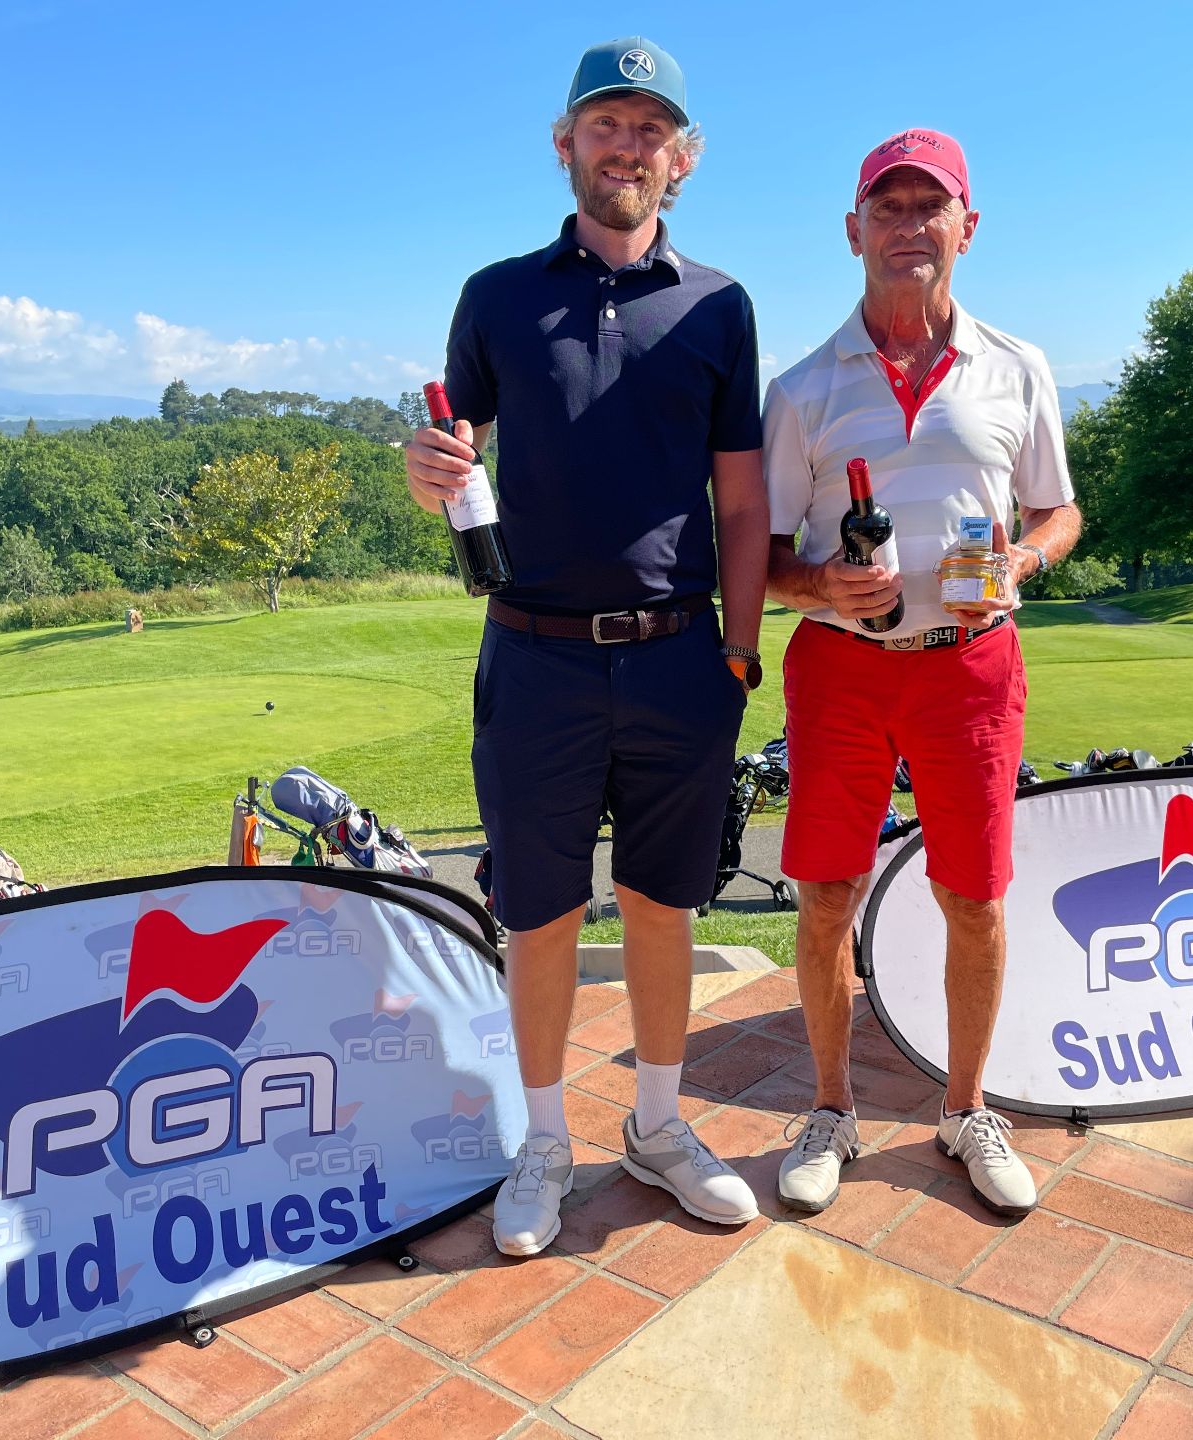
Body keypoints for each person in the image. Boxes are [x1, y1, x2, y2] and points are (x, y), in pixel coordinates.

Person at [404, 37, 770, 1256]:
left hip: (680, 656)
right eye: (605, 124)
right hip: (536, 656)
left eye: (649, 129)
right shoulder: (497, 296)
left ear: (682, 159)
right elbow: (455, 456)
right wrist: (425, 471)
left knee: (663, 906)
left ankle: (658, 1129)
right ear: (566, 144)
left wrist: (739, 651)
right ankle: (547, 1142)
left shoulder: (719, 305)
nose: (627, 146)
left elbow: (740, 500)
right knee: (542, 914)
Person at [762, 129, 1083, 1217]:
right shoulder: (802, 388)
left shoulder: (1018, 366)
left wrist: (1024, 562)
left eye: (929, 206)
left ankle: (965, 1110)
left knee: (974, 897)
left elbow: (1058, 510)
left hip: (971, 668)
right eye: (887, 208)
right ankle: (830, 1110)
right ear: (853, 231)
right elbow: (758, 558)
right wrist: (819, 585)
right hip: (842, 669)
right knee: (825, 895)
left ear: (966, 227)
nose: (908, 226)